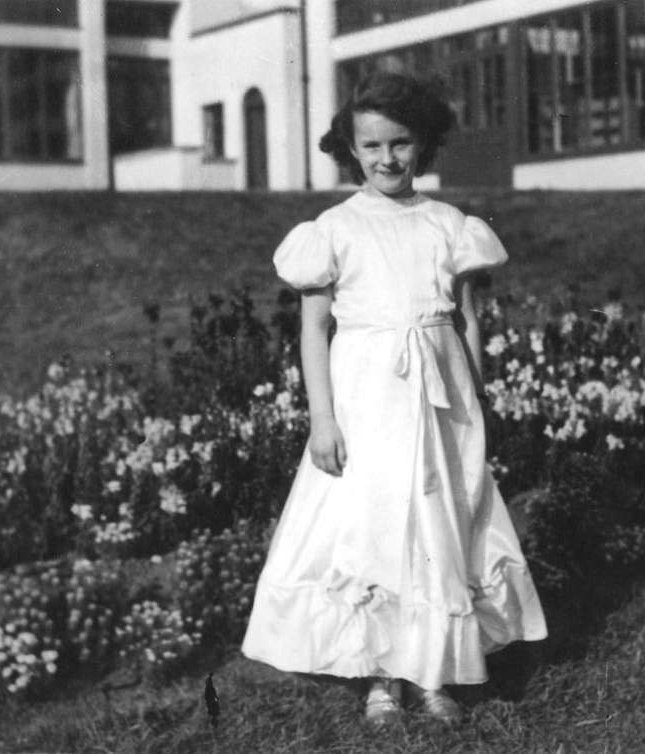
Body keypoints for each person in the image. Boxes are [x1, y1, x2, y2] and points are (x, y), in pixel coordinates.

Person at [241, 71, 547, 727]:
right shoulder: (333, 229)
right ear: (351, 149)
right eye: (372, 146)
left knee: (440, 524)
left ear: (424, 144)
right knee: (378, 528)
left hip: (441, 402)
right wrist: (322, 419)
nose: (386, 158)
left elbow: (466, 321)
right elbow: (313, 332)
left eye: (400, 144)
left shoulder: (448, 225)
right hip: (366, 399)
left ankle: (435, 667)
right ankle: (383, 674)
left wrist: (479, 395)